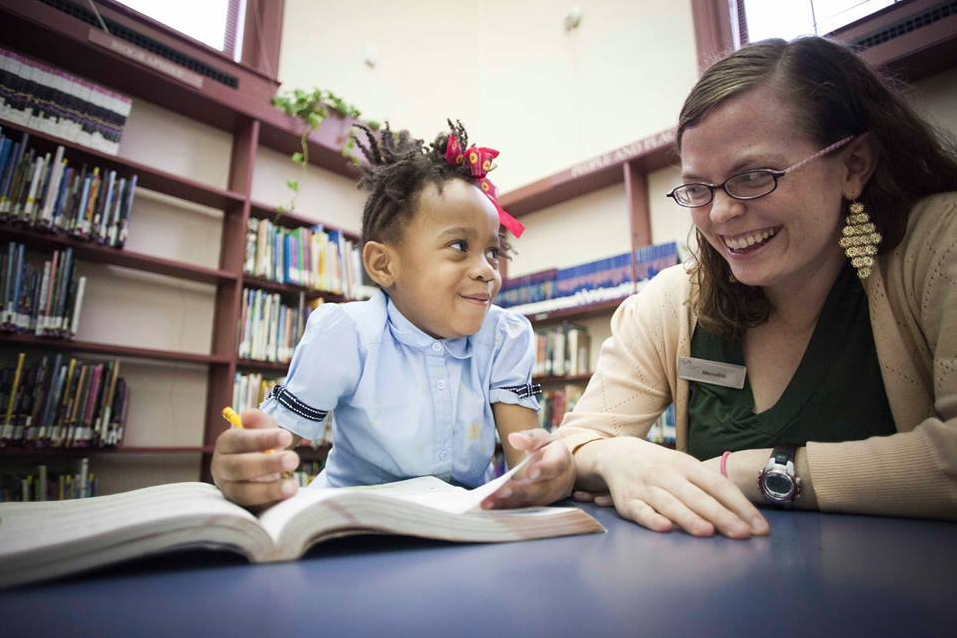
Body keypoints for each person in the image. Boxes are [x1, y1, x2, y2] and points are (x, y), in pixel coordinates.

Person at [487, 36, 957, 536]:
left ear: (853, 165)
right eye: (697, 188)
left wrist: (745, 472)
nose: (721, 213)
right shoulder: (673, 300)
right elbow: (581, 441)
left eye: (754, 176)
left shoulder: (938, 249)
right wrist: (620, 455)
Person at [212, 121, 573, 507]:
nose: (487, 269)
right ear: (384, 265)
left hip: (463, 524)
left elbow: (527, 462)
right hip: (355, 520)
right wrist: (245, 464)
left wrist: (553, 471)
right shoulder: (346, 333)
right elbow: (270, 447)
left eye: (492, 251)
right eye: (459, 245)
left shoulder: (504, 336)